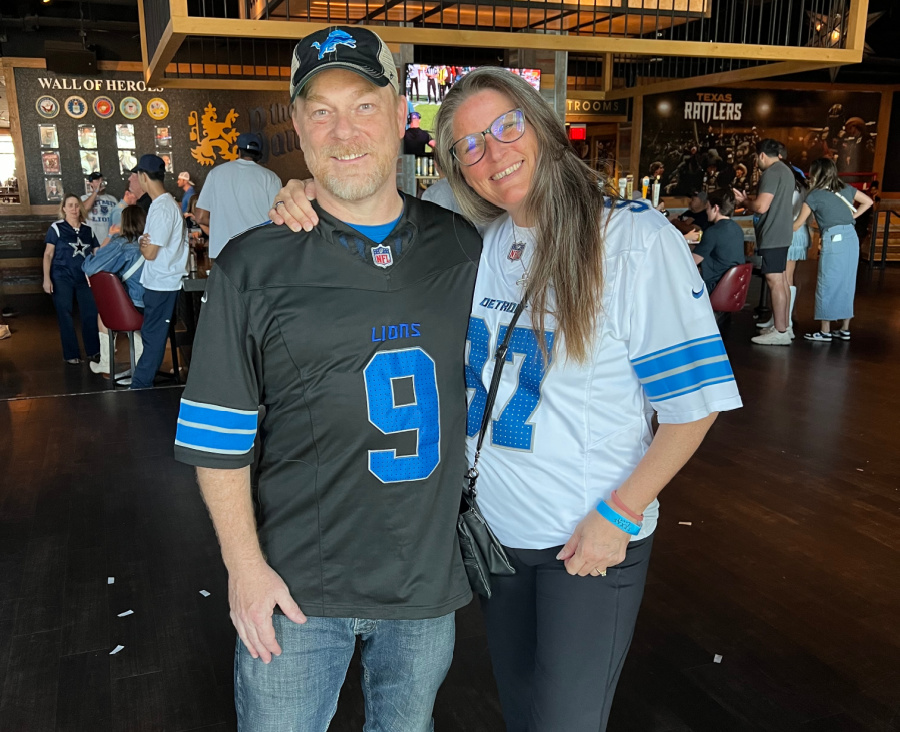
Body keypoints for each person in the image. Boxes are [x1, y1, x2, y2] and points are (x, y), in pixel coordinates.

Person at [275, 66, 742, 732]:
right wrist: (305, 194)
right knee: (521, 712)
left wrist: (621, 513)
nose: (493, 153)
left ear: (541, 125)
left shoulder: (632, 239)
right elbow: (372, 223)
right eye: (469, 146)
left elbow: (694, 406)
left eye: (506, 127)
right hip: (496, 538)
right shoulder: (481, 240)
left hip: (585, 540)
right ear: (458, 170)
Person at [175, 26, 478, 731]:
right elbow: (218, 438)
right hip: (295, 589)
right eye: (322, 111)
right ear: (298, 127)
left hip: (424, 584)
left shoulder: (461, 247)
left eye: (364, 105)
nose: (345, 131)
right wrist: (244, 569)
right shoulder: (253, 265)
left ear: (400, 114)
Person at [793, 157, 873, 342]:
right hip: (851, 237)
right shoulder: (845, 188)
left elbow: (797, 224)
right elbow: (868, 202)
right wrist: (852, 217)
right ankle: (845, 328)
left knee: (827, 283)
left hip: (834, 238)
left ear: (817, 173)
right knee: (847, 282)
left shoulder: (814, 195)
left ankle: (825, 330)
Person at [130, 154, 189, 390]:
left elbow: (150, 252)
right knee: (151, 334)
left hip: (162, 283)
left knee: (153, 337)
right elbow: (147, 245)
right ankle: (141, 383)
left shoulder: (163, 207)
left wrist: (143, 244)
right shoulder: (161, 204)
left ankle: (140, 386)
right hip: (159, 282)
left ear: (144, 176)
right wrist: (143, 243)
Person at [734, 138, 795, 346]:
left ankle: (780, 331)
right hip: (782, 231)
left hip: (773, 233)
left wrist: (744, 202)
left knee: (774, 280)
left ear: (761, 155)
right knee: (782, 279)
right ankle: (783, 326)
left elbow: (761, 206)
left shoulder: (771, 172)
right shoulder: (785, 170)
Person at [194, 132, 282, 260]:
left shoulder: (216, 174)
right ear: (259, 153)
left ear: (238, 151)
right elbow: (278, 218)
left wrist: (222, 226)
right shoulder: (271, 177)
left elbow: (201, 217)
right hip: (258, 252)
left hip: (223, 254)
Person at [82, 204, 147, 376]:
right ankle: (140, 361)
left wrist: (89, 257)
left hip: (135, 305)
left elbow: (92, 268)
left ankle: (106, 363)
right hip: (154, 302)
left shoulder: (122, 244)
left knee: (103, 315)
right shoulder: (150, 243)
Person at [42, 193, 100, 364]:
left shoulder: (88, 230)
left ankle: (94, 350)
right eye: (70, 205)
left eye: (76, 205)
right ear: (64, 208)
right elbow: (48, 254)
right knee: (64, 313)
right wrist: (46, 278)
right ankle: (71, 353)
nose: (74, 209)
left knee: (90, 313)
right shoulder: (57, 228)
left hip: (84, 278)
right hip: (62, 276)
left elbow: (97, 254)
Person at [756, 164, 808, 333]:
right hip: (797, 231)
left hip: (792, 230)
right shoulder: (802, 189)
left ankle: (785, 323)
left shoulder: (791, 191)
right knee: (784, 277)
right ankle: (779, 320)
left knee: (785, 277)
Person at [691, 188, 745, 294]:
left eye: (707, 207)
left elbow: (692, 262)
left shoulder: (713, 231)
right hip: (734, 287)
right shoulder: (737, 229)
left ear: (716, 208)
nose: (706, 212)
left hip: (715, 287)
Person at [81, 173, 118, 244]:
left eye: (102, 180)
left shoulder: (113, 199)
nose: (101, 182)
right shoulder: (84, 198)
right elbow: (85, 208)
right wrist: (96, 192)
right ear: (91, 183)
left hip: (110, 240)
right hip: (93, 240)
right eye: (97, 180)